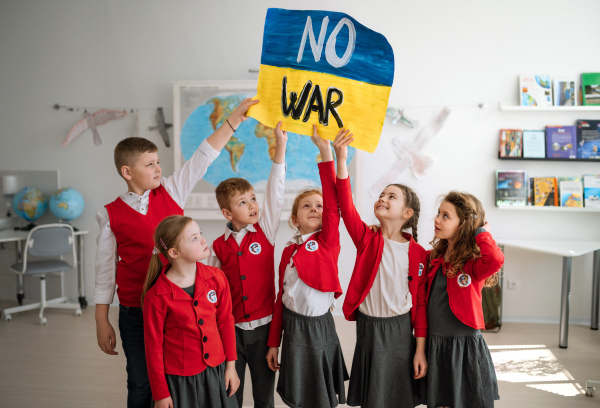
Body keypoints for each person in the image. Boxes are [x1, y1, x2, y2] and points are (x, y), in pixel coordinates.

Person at [94, 98, 257, 407]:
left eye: (158, 162)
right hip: (136, 311)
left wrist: (233, 121)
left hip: (182, 306)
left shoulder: (172, 189)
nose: (158, 168)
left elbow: (204, 156)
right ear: (127, 171)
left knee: (179, 377)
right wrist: (102, 319)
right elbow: (104, 273)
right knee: (142, 384)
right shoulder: (109, 214)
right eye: (150, 164)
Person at [333, 131, 428, 408]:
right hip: (369, 327)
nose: (382, 198)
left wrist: (420, 349)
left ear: (407, 213)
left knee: (398, 395)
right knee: (373, 396)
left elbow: (420, 304)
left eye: (392, 196)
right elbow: (346, 205)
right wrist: (341, 158)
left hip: (400, 330)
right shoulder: (367, 238)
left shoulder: (419, 255)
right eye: (382, 194)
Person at [265, 126, 349, 408]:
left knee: (321, 395)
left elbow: (333, 202)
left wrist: (326, 152)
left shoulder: (327, 241)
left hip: (318, 328)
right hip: (293, 328)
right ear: (295, 219)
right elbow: (281, 300)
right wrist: (273, 342)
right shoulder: (288, 250)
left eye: (319, 206)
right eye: (307, 206)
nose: (315, 209)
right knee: (299, 396)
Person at [206, 121, 287, 408]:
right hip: (231, 332)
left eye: (253, 198)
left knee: (264, 396)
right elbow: (209, 288)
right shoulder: (216, 247)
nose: (253, 205)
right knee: (231, 394)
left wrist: (280, 147)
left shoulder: (264, 230)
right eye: (243, 202)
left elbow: (275, 193)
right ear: (227, 212)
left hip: (265, 330)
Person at [141, 215, 239, 408]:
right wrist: (161, 394)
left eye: (200, 233)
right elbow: (153, 348)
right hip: (180, 381)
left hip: (216, 372)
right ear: (174, 253)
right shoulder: (156, 296)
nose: (203, 239)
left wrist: (231, 367)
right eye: (194, 238)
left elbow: (226, 321)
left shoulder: (217, 277)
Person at [426, 191, 504, 408]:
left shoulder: (472, 264)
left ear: (464, 225)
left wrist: (481, 232)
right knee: (441, 401)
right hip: (436, 344)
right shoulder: (433, 258)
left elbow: (496, 259)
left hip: (464, 344)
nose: (437, 219)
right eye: (438, 214)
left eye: (445, 216)